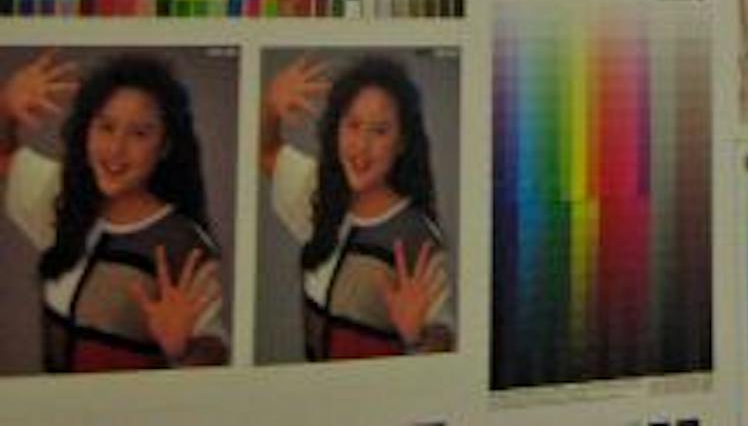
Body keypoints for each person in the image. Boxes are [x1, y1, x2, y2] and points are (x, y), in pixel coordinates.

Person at [0, 52, 228, 371]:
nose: (115, 149)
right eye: (105, 127)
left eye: (139, 134)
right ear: (86, 130)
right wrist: (6, 107)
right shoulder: (61, 195)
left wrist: (183, 349)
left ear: (164, 146)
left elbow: (213, 351)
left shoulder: (183, 243)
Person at [260, 54, 452, 359]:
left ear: (402, 141)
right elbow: (264, 149)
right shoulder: (317, 190)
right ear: (336, 129)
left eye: (379, 131)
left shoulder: (417, 236)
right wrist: (270, 107)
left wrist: (417, 337)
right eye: (353, 125)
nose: (361, 146)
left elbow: (442, 343)